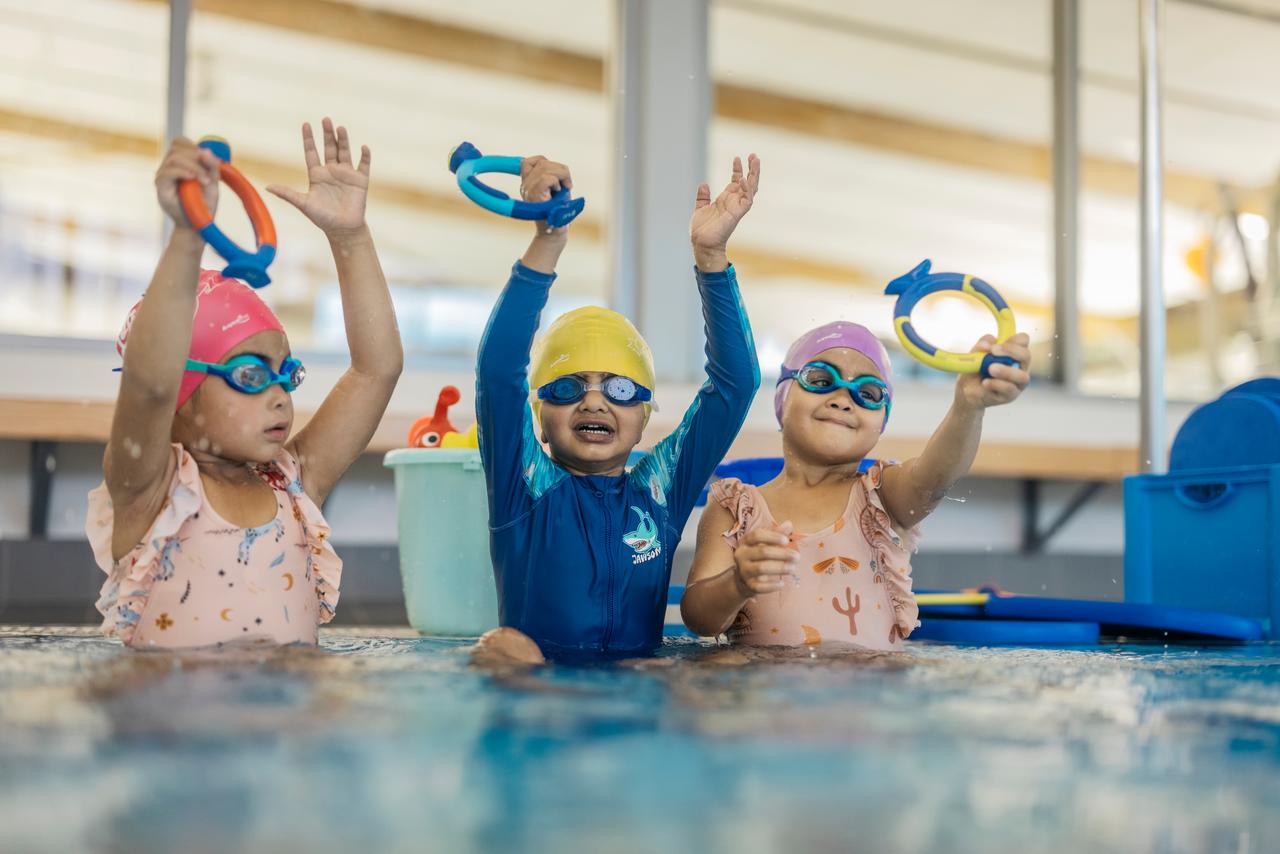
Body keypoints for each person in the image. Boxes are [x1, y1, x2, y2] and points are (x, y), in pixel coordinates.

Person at [86, 119, 402, 648]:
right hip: (172, 723)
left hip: (281, 724)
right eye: (251, 375)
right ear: (183, 395)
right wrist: (191, 233)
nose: (280, 394)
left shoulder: (295, 483)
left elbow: (377, 369)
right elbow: (147, 386)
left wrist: (350, 238)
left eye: (285, 373)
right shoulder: (150, 493)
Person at [472, 153, 762, 663]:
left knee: (728, 662)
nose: (594, 400)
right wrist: (548, 241)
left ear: (644, 415)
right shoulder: (523, 486)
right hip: (541, 694)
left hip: (637, 684)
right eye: (566, 388)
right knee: (505, 648)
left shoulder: (660, 491)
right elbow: (499, 372)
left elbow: (735, 385)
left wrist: (711, 258)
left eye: (621, 390)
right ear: (538, 414)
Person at [681, 321, 1032, 649]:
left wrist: (967, 406)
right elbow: (700, 619)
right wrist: (738, 582)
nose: (842, 398)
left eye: (868, 392)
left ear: (881, 424)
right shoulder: (734, 509)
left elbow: (936, 476)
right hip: (768, 699)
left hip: (871, 700)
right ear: (783, 399)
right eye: (820, 380)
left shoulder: (881, 498)